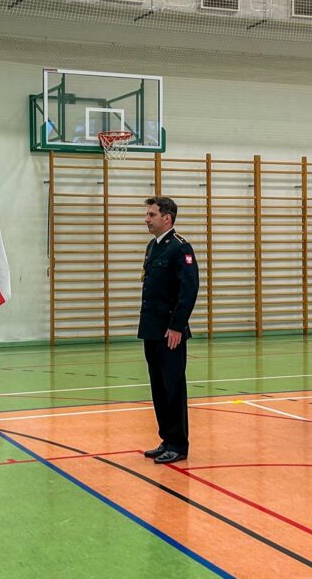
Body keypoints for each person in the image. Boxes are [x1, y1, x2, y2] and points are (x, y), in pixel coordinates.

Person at [140, 197, 199, 465]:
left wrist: (177, 326)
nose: (147, 219)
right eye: (147, 214)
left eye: (152, 215)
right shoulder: (153, 246)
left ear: (167, 218)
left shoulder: (180, 247)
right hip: (152, 329)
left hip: (170, 331)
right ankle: (167, 438)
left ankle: (178, 444)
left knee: (173, 386)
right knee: (158, 387)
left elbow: (189, 290)